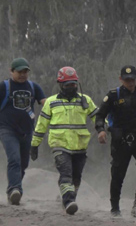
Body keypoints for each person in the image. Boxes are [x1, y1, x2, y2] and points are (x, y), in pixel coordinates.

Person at [30, 67, 99, 215]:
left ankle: (67, 199)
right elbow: (41, 125)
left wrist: (107, 128)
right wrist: (34, 145)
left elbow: (97, 117)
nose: (71, 87)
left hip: (80, 146)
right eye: (67, 84)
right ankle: (69, 201)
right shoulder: (51, 102)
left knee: (76, 177)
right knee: (66, 173)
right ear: (60, 84)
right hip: (59, 145)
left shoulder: (85, 100)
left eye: (73, 84)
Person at [94, 65, 136, 218]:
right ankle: (115, 208)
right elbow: (100, 115)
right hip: (121, 141)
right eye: (127, 79)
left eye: (133, 79)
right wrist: (101, 130)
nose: (130, 82)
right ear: (121, 79)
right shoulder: (113, 95)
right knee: (118, 175)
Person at [0, 58, 47, 205]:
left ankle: (13, 190)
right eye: (19, 71)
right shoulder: (4, 86)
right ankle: (15, 190)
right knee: (14, 159)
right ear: (11, 71)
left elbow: (47, 105)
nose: (22, 74)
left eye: (25, 71)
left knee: (24, 163)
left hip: (27, 131)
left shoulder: (34, 87)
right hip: (7, 129)